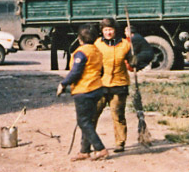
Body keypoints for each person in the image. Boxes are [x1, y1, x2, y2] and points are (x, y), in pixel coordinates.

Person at [93, 17, 153, 152]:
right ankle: (89, 142)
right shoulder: (97, 44)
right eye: (105, 30)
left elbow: (145, 55)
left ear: (115, 30)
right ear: (102, 31)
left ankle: (120, 143)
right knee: (93, 114)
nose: (108, 33)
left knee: (118, 115)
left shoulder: (125, 44)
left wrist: (136, 60)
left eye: (110, 30)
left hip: (119, 85)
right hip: (100, 85)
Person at [57, 24, 108, 161]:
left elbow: (75, 72)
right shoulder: (97, 51)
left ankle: (100, 148)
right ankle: (84, 151)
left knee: (83, 122)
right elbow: (102, 71)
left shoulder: (81, 52)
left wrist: (63, 84)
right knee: (89, 121)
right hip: (97, 89)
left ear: (79, 39)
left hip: (84, 90)